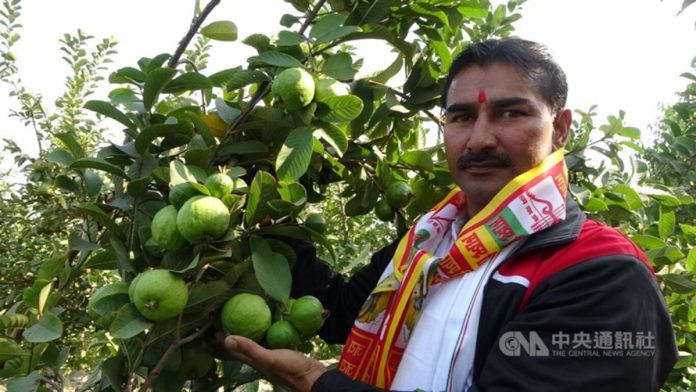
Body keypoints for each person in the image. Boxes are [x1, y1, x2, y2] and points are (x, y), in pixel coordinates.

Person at [223, 38, 678, 391]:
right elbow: (338, 310)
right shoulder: (427, 242)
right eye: (460, 118)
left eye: (510, 113)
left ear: (559, 129)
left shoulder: (602, 272)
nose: (479, 139)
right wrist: (267, 214)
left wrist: (313, 381)